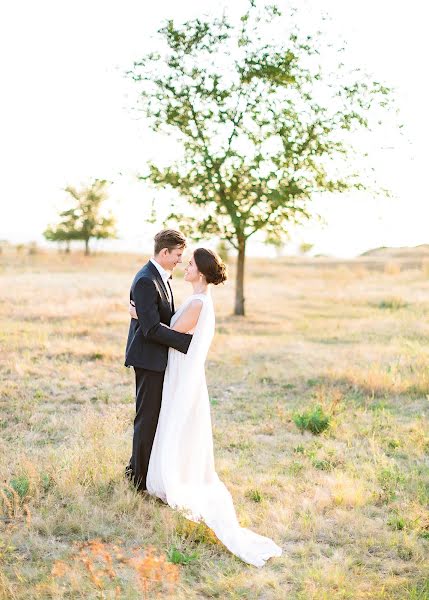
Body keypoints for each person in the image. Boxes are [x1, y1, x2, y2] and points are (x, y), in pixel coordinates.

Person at [129, 247, 282, 567]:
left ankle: (169, 478)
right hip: (180, 372)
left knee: (174, 424)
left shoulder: (198, 302)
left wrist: (139, 316)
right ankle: (159, 473)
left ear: (200, 272)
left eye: (190, 264)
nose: (185, 267)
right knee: (171, 424)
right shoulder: (198, 300)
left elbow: (169, 331)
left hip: (182, 376)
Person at [124, 229, 193, 492]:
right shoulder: (146, 280)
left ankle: (141, 470)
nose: (179, 260)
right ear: (164, 252)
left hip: (157, 357)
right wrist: (187, 343)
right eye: (177, 255)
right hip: (148, 358)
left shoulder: (161, 277)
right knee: (147, 417)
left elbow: (159, 318)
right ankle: (137, 478)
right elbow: (151, 329)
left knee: (154, 416)